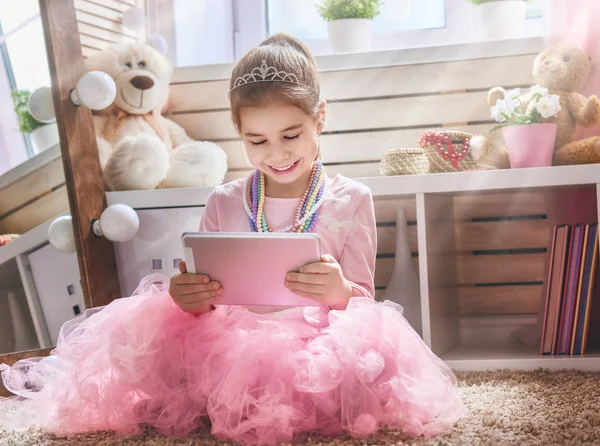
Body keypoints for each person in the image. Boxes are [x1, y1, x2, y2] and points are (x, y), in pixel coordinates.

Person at [0, 33, 465, 445]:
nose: (277, 153)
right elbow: (204, 288)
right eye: (257, 140)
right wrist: (189, 296)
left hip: (315, 340)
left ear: (320, 118)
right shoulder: (225, 199)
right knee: (156, 357)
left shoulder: (351, 198)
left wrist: (340, 292)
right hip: (231, 338)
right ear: (239, 132)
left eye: (291, 135)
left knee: (361, 370)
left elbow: (363, 299)